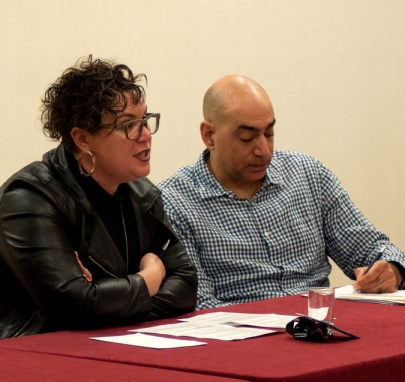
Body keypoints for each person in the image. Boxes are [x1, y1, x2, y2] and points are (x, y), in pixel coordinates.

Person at [0, 58, 197, 345]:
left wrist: (105, 302)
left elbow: (186, 286)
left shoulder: (143, 195)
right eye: (129, 124)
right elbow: (75, 304)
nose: (145, 135)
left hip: (96, 347)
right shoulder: (28, 198)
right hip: (5, 354)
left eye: (145, 120)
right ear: (82, 138)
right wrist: (149, 279)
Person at [160, 75, 405, 310]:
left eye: (269, 133)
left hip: (318, 328)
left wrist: (392, 269)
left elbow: (371, 247)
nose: (264, 150)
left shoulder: (307, 175)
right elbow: (198, 304)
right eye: (247, 138)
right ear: (209, 136)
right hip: (243, 340)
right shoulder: (174, 202)